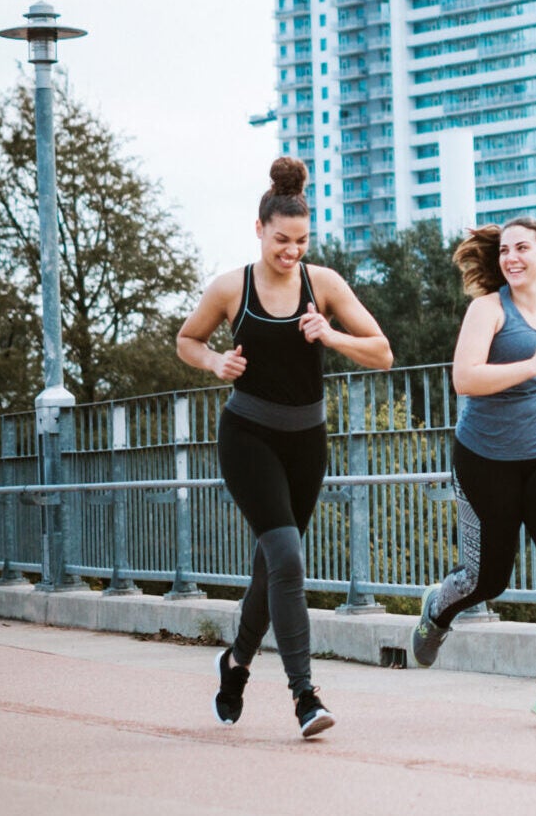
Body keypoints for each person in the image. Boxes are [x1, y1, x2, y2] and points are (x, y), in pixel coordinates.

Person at [174, 157, 393, 738]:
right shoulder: (231, 287)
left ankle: (236, 662)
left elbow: (382, 351)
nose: (291, 251)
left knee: (272, 570)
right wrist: (215, 360)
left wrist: (332, 334)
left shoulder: (324, 285)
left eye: (301, 240)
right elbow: (187, 340)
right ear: (259, 229)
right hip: (248, 437)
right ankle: (305, 697)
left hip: (307, 443)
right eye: (281, 240)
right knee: (290, 559)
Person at [407, 216, 536, 729]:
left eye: (522, 249)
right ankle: (438, 609)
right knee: (488, 578)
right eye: (505, 250)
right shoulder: (487, 310)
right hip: (485, 457)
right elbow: (465, 378)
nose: (511, 257)